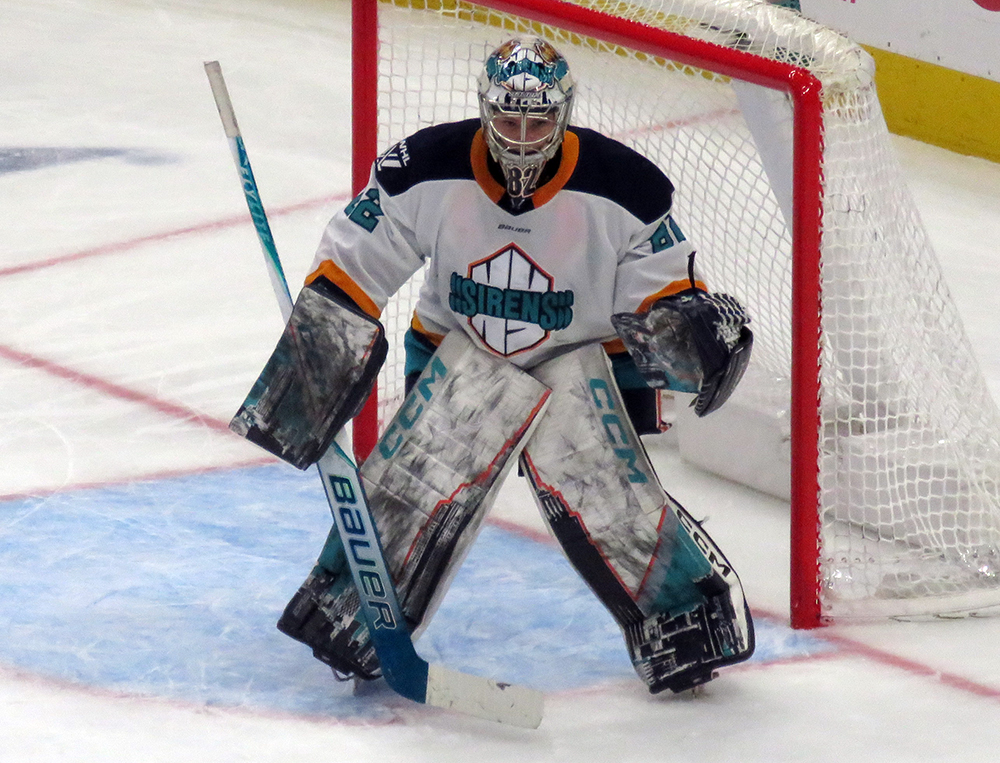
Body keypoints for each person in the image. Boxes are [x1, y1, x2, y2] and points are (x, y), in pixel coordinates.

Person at [235, 37, 755, 695]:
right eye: (508, 120)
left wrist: (694, 329)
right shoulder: (423, 168)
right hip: (462, 350)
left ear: (564, 115)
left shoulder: (624, 186)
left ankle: (684, 620)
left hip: (580, 359)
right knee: (420, 477)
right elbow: (355, 259)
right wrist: (318, 354)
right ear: (485, 109)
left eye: (537, 121)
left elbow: (660, 294)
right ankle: (355, 611)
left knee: (598, 479)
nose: (521, 135)